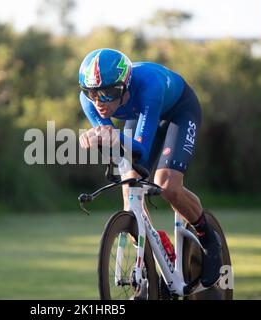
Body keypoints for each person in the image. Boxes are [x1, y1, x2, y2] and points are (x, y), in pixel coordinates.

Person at [78, 48, 222, 288]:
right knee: (129, 189)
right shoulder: (90, 102)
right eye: (92, 93)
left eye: (108, 93)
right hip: (139, 114)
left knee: (168, 186)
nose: (99, 102)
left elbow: (141, 151)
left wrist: (109, 136)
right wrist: (99, 138)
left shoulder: (149, 87)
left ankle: (208, 238)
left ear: (124, 87)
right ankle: (154, 256)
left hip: (178, 110)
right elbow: (116, 146)